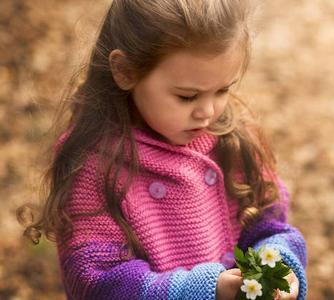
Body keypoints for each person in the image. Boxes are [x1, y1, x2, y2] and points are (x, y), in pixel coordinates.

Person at [17, 0, 308, 299]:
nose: (208, 111)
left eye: (223, 90)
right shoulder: (96, 168)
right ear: (125, 71)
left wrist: (278, 263)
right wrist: (203, 290)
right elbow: (98, 283)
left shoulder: (232, 140)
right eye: (187, 96)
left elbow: (269, 226)